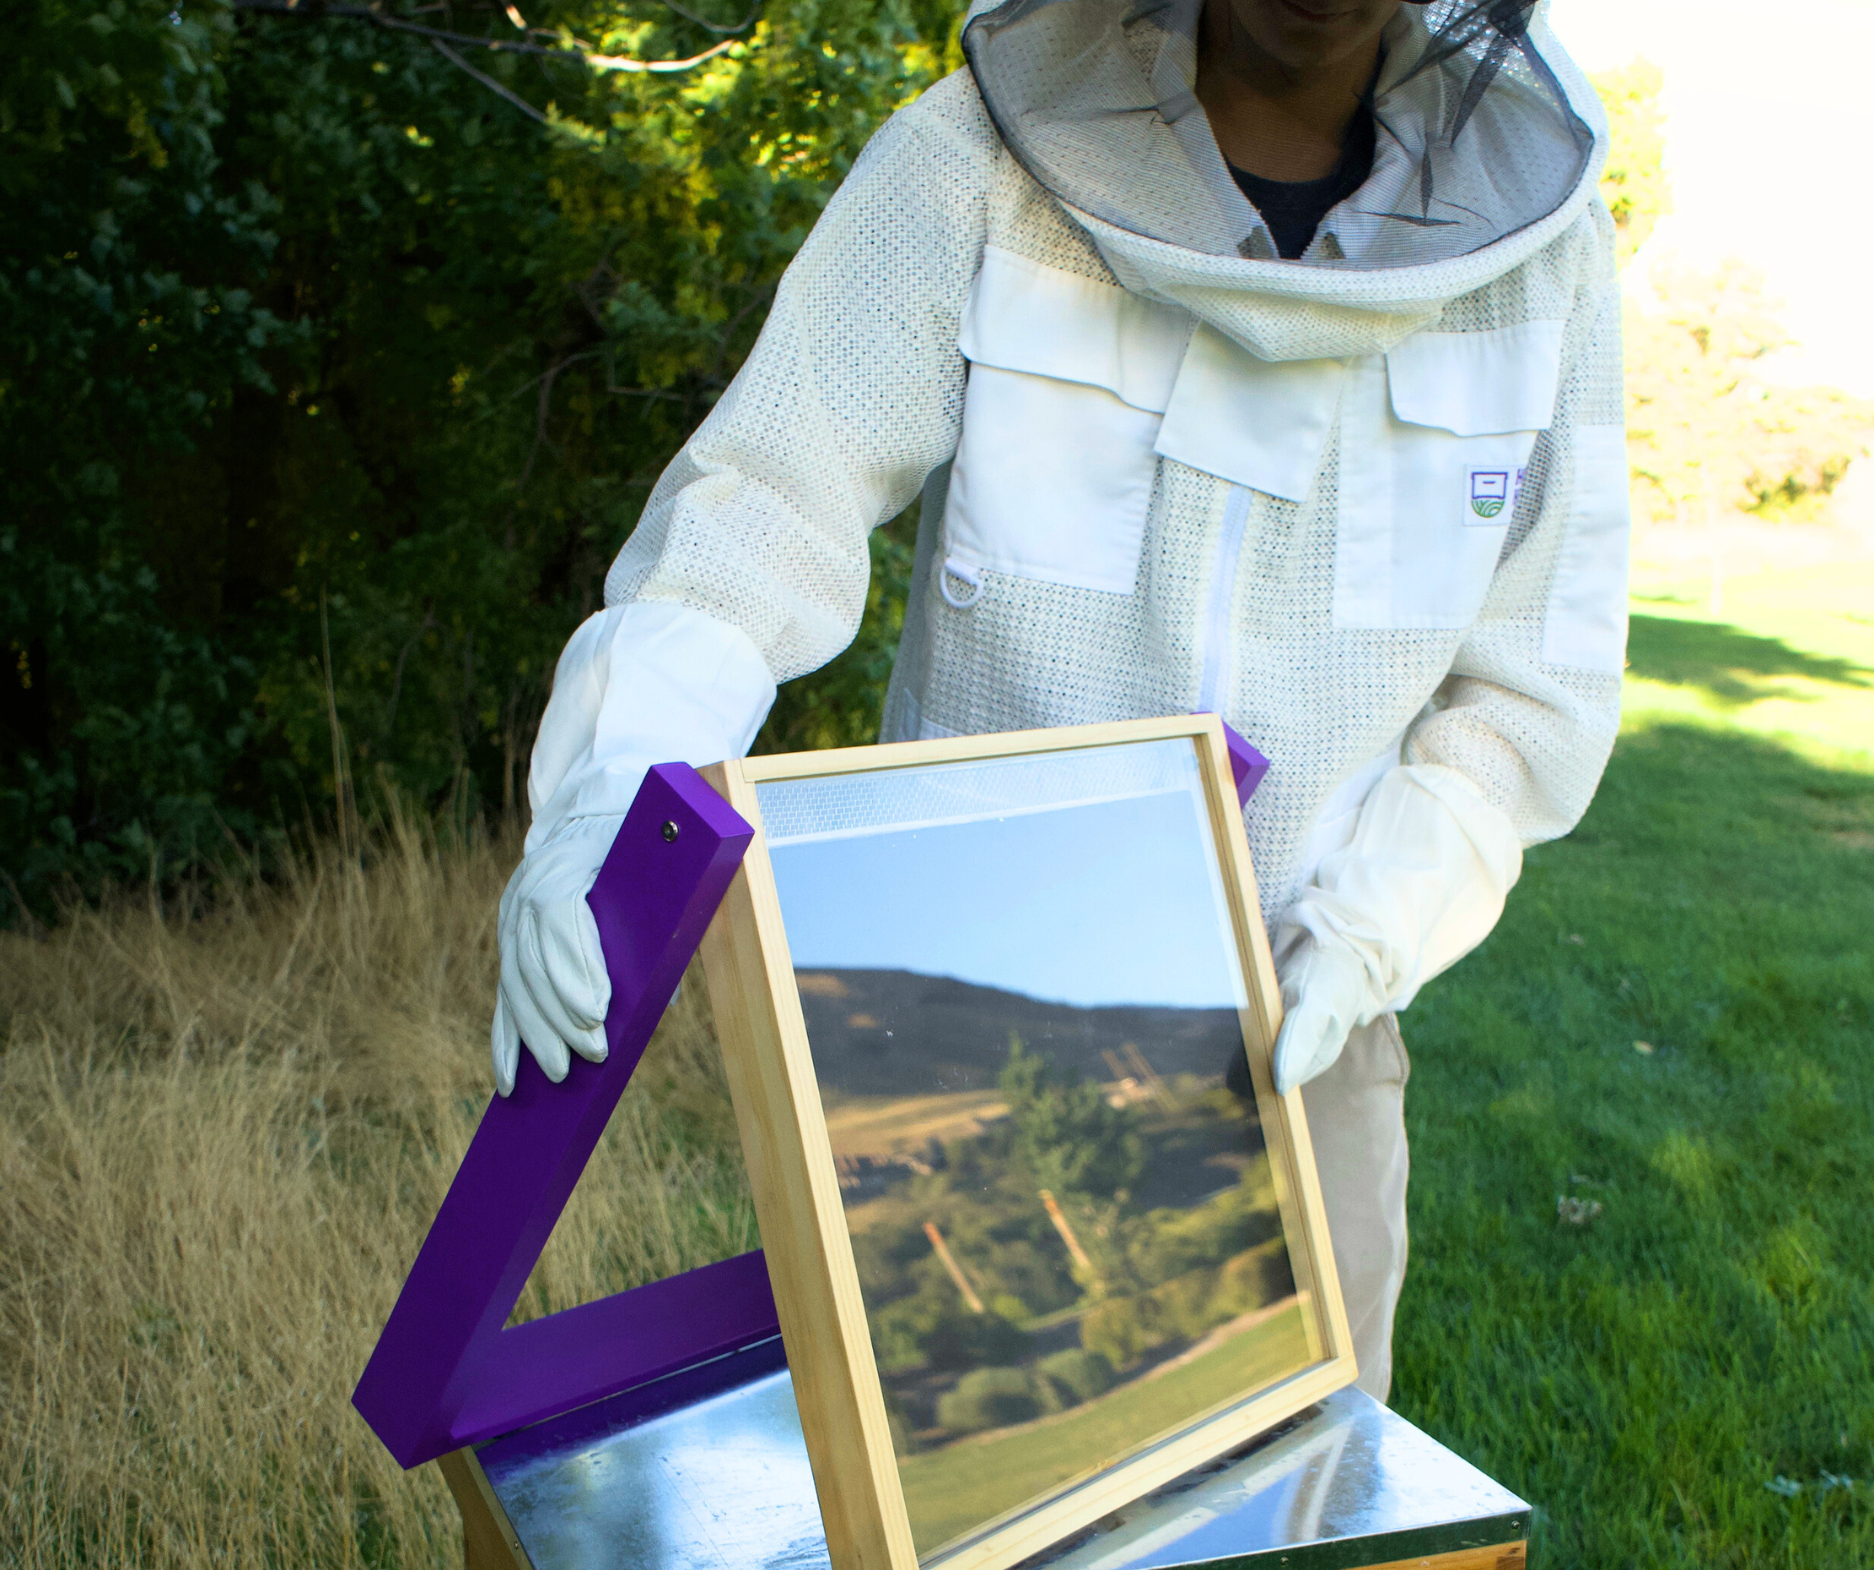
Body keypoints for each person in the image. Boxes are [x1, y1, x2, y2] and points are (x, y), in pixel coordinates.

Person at [490, 0, 1629, 1404]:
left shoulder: (1543, 259)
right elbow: (763, 512)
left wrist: (1365, 933)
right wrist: (606, 805)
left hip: (1295, 1054)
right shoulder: (973, 159)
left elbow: (1531, 688)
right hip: (957, 1038)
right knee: (950, 1567)